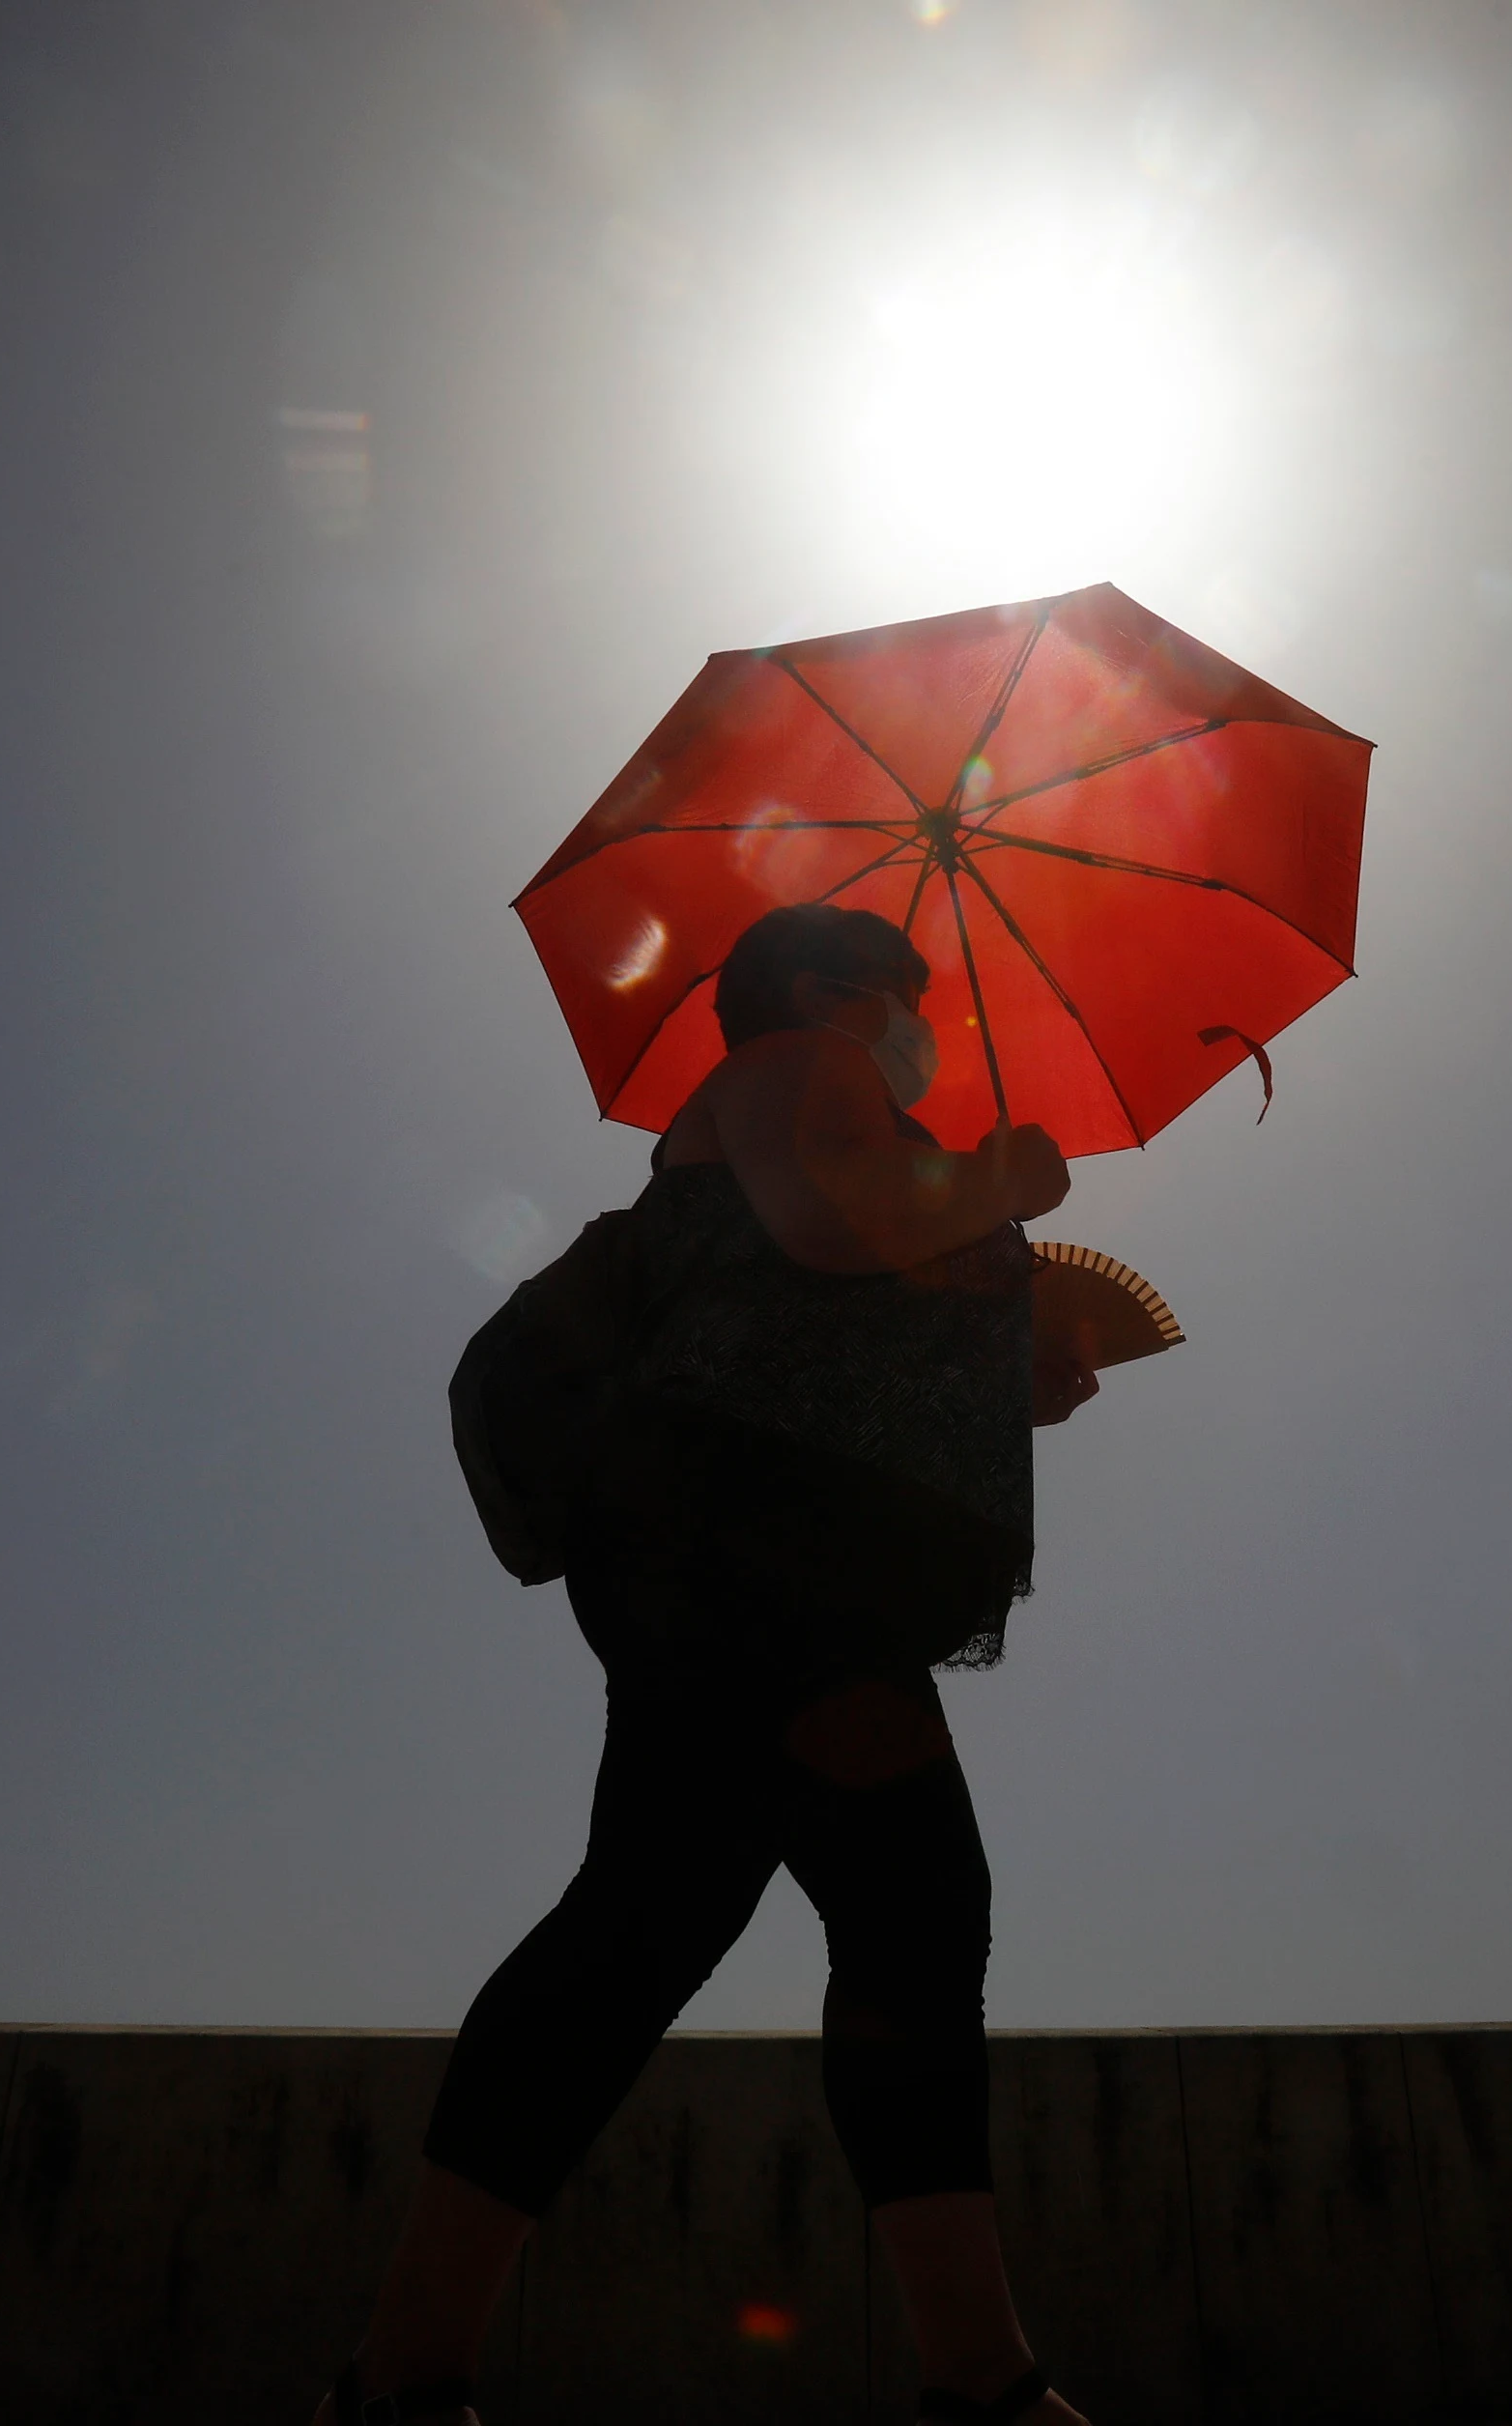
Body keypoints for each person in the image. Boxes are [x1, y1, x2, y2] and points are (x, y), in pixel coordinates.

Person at [322, 904, 1094, 2426]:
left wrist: (1016, 1367)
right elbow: (824, 1223)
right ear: (817, 989)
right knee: (853, 1916)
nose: (918, 1020)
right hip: (747, 1549)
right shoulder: (795, 1062)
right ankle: (977, 2384)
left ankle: (409, 2380)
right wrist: (1008, 1172)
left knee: (723, 1918)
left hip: (754, 1559)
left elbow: (832, 1297)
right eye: (903, 992)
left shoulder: (840, 1099)